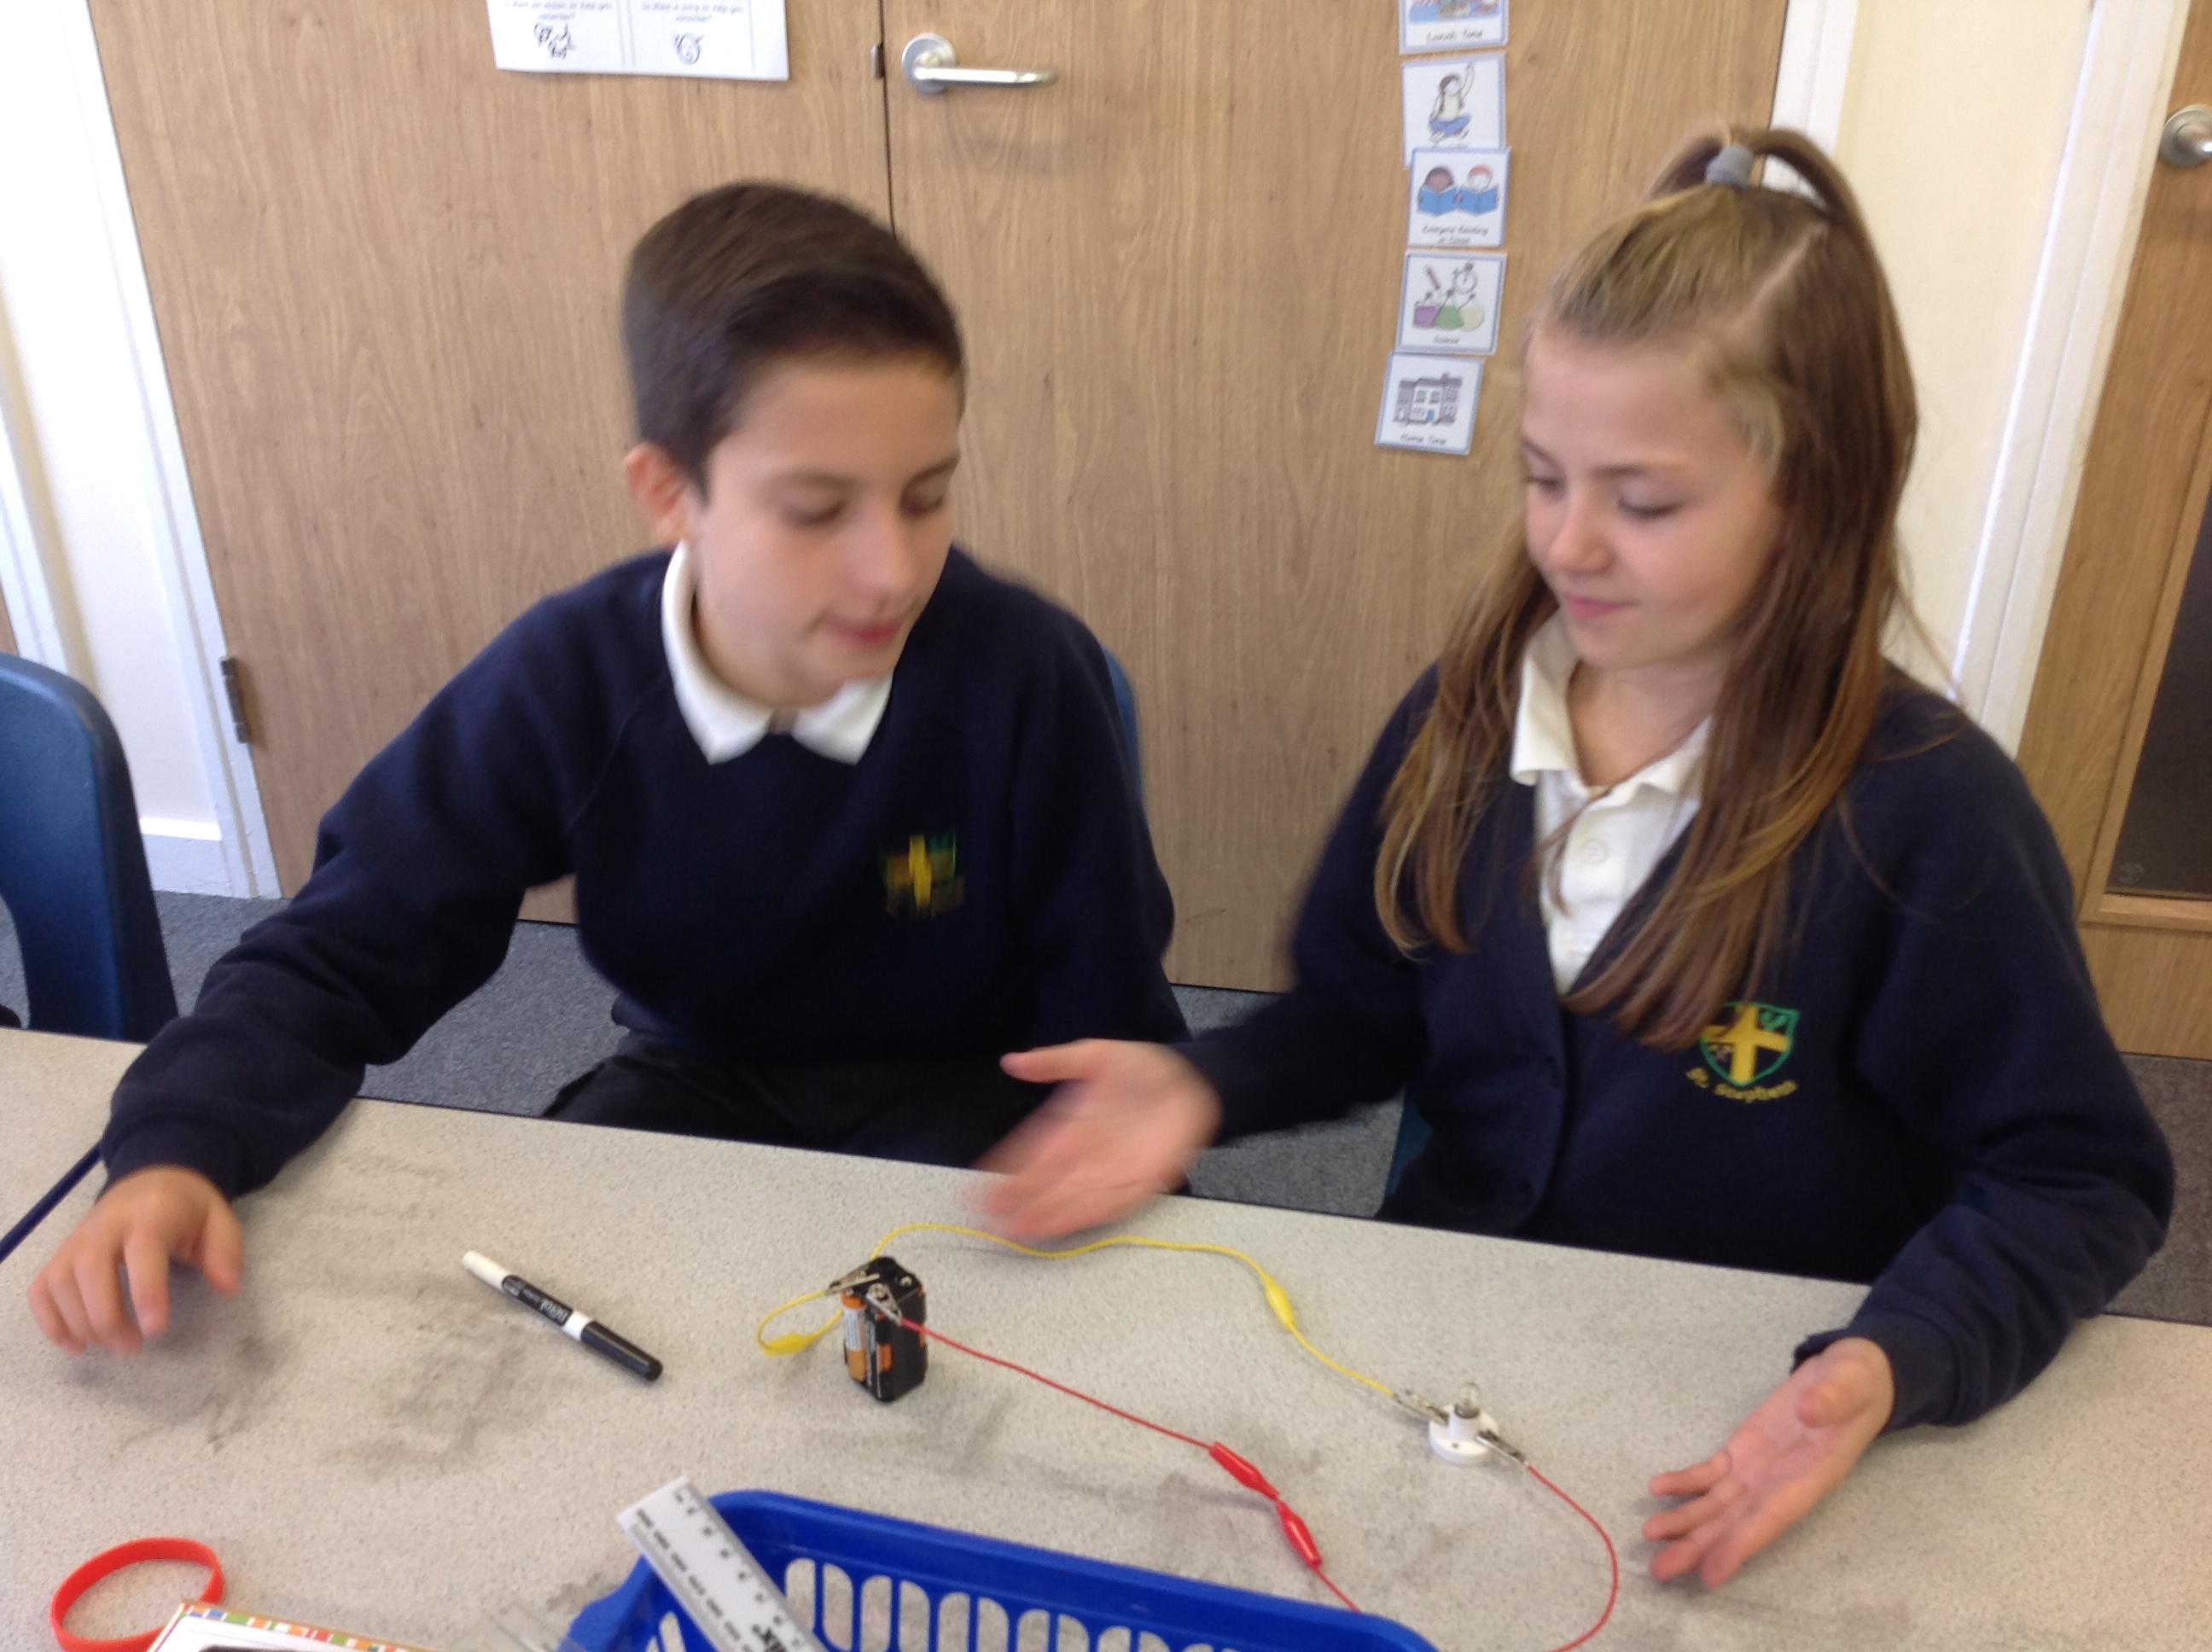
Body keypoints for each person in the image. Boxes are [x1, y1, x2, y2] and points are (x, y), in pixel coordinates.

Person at [981, 129, 2173, 1588]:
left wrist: (1893, 1358)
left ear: (1814, 496)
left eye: (1645, 501)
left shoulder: (1927, 815)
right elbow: (1361, 1016)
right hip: (1463, 1365)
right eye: (1545, 478)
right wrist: (1203, 1084)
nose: (1572, 545)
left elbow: (2082, 1177)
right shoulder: (1462, 724)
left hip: (1732, 1410)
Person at [30, 182, 1184, 1359]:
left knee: (1020, 1347)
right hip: (703, 1079)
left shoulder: (1024, 673)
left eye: (927, 496)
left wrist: (1124, 1135)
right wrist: (177, 1147)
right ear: (670, 495)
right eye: (815, 510)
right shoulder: (567, 679)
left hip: (972, 1090)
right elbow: (341, 946)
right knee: (555, 1346)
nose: (893, 569)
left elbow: (1116, 1027)